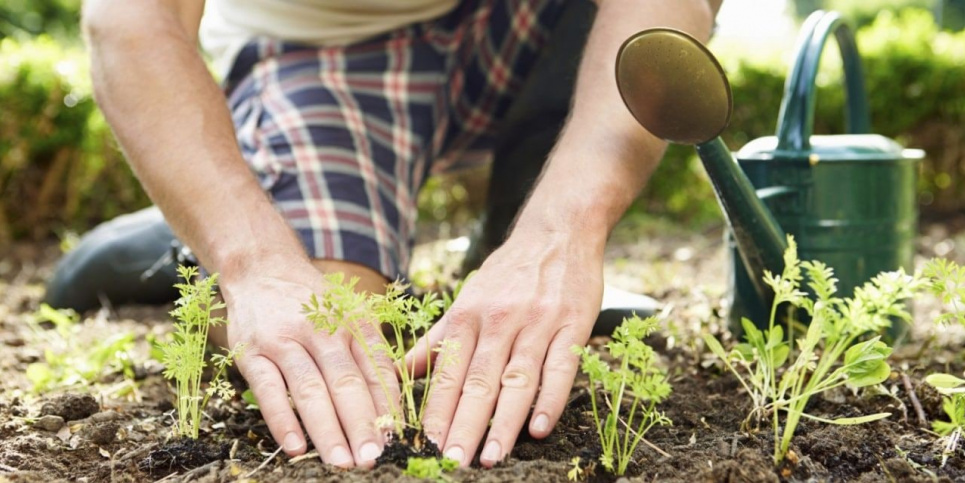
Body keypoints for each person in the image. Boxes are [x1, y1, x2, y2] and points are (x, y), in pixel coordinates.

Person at [74, 0, 721, 470]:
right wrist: (251, 259)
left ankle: (512, 242)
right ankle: (217, 208)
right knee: (335, 325)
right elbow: (128, 20)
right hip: (323, 49)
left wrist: (563, 232)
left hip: (530, 21)